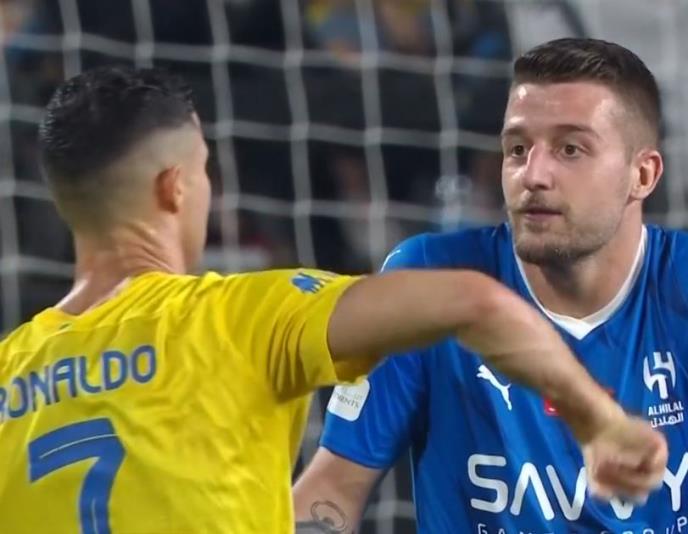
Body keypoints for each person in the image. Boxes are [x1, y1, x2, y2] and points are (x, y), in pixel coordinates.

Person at [0, 66, 665, 534]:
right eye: (204, 169)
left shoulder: (8, 368)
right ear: (176, 187)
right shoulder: (243, 315)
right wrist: (599, 421)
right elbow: (474, 301)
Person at [294, 37, 684, 533]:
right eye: (517, 149)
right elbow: (332, 488)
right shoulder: (431, 279)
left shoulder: (678, 283)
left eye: (570, 149)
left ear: (643, 174)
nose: (532, 175)